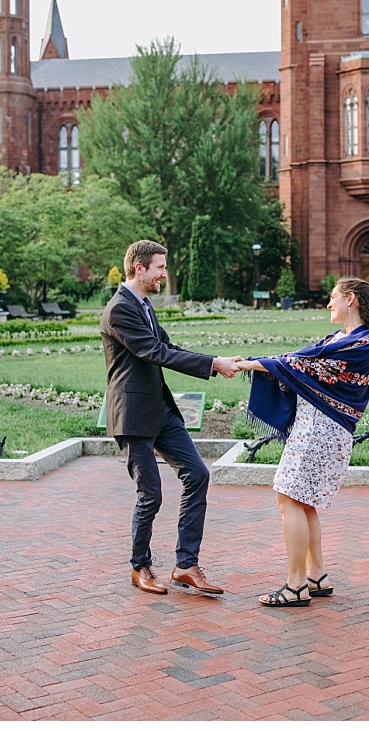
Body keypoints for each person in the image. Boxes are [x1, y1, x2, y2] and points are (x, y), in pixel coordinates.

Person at [236, 276, 369, 608]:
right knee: (302, 502)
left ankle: (295, 585)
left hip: (321, 433)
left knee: (289, 500)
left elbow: (300, 364)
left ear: (351, 299)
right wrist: (259, 362)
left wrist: (251, 363)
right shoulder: (344, 338)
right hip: (315, 430)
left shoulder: (358, 345)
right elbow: (302, 362)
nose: (329, 303)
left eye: (333, 297)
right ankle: (316, 576)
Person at [102, 240, 241, 595]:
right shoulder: (119, 309)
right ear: (140, 268)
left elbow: (170, 348)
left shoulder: (144, 306)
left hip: (160, 409)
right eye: (160, 267)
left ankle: (186, 564)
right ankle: (140, 566)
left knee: (197, 474)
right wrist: (212, 364)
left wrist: (216, 362)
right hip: (132, 414)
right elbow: (154, 351)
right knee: (151, 494)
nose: (165, 273)